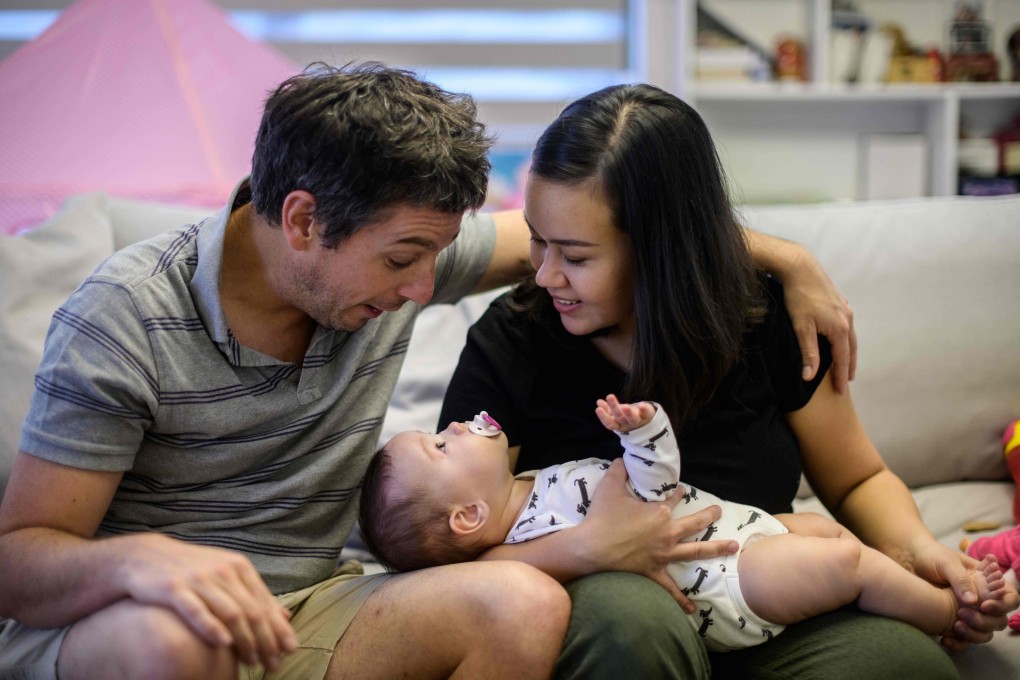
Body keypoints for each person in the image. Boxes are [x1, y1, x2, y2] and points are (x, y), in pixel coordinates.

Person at [0, 62, 858, 680]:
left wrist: (788, 258)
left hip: (313, 605)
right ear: (301, 221)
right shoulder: (124, 318)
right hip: (132, 625)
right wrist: (142, 564)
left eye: (435, 258)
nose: (422, 290)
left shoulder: (395, 261)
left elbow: (640, 229)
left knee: (520, 604)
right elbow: (18, 558)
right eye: (403, 261)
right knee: (177, 644)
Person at [436, 83, 1020, 679]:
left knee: (904, 664)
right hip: (622, 614)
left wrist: (918, 551)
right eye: (537, 238)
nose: (545, 272)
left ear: (662, 250)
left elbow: (857, 479)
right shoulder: (510, 342)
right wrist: (590, 550)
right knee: (629, 619)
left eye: (577, 257)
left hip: (768, 600)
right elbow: (451, 539)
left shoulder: (766, 320)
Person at [360, 395, 1009, 651]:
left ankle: (928, 582)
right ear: (469, 514)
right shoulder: (530, 538)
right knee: (847, 565)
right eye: (440, 446)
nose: (452, 427)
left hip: (737, 529)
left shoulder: (536, 491)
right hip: (728, 581)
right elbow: (653, 485)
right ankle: (946, 615)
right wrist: (647, 433)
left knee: (830, 534)